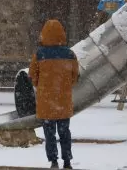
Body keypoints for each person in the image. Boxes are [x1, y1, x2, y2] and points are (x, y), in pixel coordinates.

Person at [29, 19, 79, 169]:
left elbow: (33, 76)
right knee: (65, 132)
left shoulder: (39, 55)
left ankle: (54, 161)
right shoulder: (70, 54)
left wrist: (42, 85)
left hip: (46, 102)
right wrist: (64, 87)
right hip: (63, 101)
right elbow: (74, 76)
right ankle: (67, 161)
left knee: (49, 134)